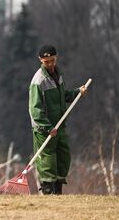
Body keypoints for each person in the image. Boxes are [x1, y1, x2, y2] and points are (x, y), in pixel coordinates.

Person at [29, 44, 88, 195]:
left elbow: (63, 96)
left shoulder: (58, 75)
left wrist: (77, 93)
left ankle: (58, 193)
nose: (50, 64)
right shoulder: (38, 81)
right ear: (40, 60)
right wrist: (48, 128)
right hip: (45, 131)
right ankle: (49, 194)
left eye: (52, 60)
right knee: (48, 162)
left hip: (59, 126)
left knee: (63, 158)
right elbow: (35, 111)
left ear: (56, 58)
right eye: (46, 61)